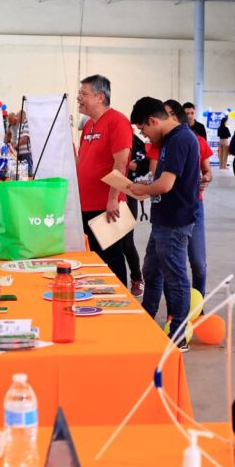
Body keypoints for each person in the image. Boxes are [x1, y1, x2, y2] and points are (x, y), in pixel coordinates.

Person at [126, 97, 200, 349]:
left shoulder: (180, 139)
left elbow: (166, 184)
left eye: (143, 129)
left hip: (175, 221)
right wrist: (148, 184)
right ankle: (147, 318)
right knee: (152, 270)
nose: (144, 136)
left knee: (175, 277)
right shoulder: (171, 139)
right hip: (163, 219)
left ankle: (178, 334)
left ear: (153, 121)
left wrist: (142, 189)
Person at [76, 74, 132, 285]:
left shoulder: (117, 121)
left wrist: (113, 198)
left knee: (111, 260)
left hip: (105, 206)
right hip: (85, 205)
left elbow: (121, 162)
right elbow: (83, 161)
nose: (79, 98)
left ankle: (120, 299)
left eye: (84, 94)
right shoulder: (89, 125)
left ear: (100, 97)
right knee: (92, 260)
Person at [163, 100, 213, 297]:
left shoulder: (198, 140)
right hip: (172, 207)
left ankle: (198, 305)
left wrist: (206, 178)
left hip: (195, 205)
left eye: (192, 113)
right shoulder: (164, 142)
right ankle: (175, 307)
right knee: (174, 263)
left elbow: (207, 171)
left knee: (198, 262)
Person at [124, 127, 150, 296]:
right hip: (101, 194)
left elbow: (143, 168)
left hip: (128, 193)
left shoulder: (136, 143)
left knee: (126, 240)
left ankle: (136, 278)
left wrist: (121, 162)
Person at [6, 111, 32, 176]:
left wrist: (15, 146)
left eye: (17, 116)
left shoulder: (26, 124)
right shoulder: (20, 125)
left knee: (27, 173)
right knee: (22, 173)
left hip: (26, 154)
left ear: (22, 116)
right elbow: (10, 136)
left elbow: (24, 139)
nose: (16, 118)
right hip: (20, 153)